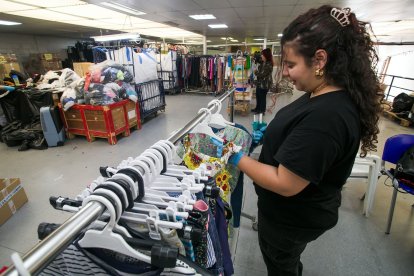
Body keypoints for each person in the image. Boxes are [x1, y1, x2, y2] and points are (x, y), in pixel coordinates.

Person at [228, 5, 383, 276]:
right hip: (297, 213)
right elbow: (302, 132)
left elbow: (285, 183)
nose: (285, 73)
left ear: (320, 59)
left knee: (281, 264)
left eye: (290, 64)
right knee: (286, 261)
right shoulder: (321, 92)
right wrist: (274, 136)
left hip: (290, 219)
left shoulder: (328, 116)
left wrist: (237, 157)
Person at [252, 48, 273, 114]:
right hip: (260, 83)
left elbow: (262, 75)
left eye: (262, 55)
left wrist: (255, 72)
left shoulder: (269, 64)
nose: (261, 56)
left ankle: (262, 110)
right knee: (258, 96)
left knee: (262, 97)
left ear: (266, 56)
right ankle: (257, 108)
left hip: (265, 84)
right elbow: (259, 60)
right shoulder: (264, 62)